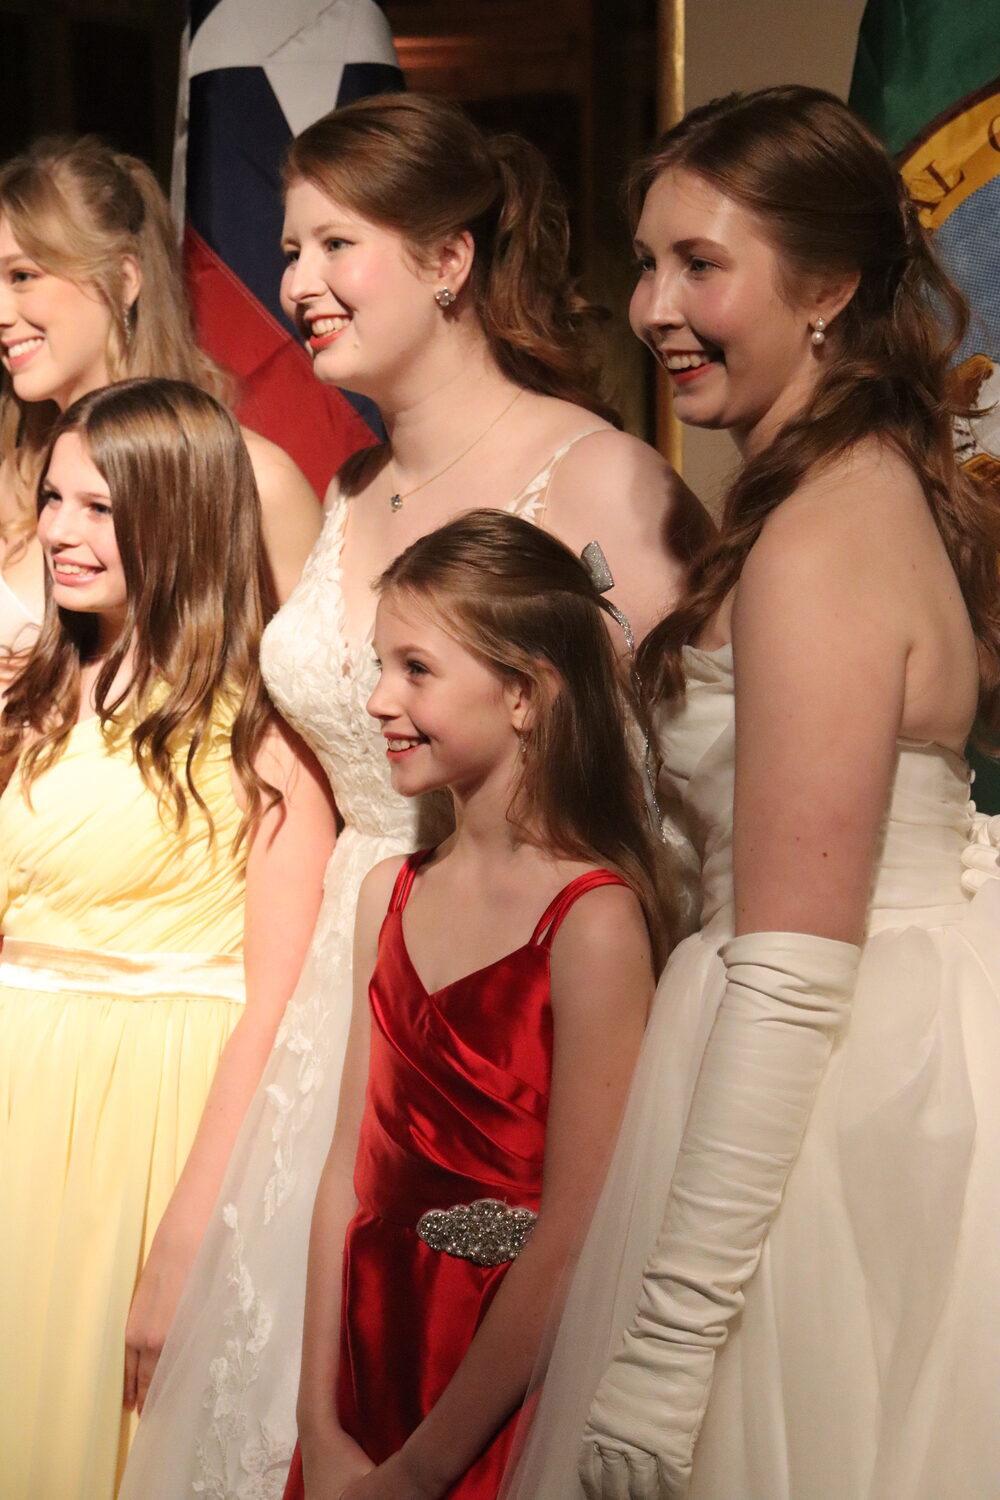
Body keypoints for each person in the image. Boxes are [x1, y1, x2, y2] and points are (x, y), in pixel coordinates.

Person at [120, 92, 705, 1500]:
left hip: (500, 1029)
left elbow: (678, 801)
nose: (295, 285)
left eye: (335, 245)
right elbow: (302, 801)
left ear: (449, 258)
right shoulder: (350, 488)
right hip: (335, 984)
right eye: (288, 248)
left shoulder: (604, 481)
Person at [503, 85, 1000, 1500]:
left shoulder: (824, 532)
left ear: (829, 284)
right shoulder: (835, 488)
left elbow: (788, 972)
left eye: (701, 265)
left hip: (812, 1093)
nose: (656, 306)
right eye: (647, 262)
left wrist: (666, 1355)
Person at [0, 378, 336, 1500]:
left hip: (144, 1127)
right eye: (53, 499)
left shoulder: (262, 737)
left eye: (100, 507)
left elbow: (280, 1004)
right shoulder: (30, 697)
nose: (59, 531)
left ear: (181, 515)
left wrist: (194, 1234)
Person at [286, 509, 666, 1500]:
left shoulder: (592, 924)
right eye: (379, 664)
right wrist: (316, 1425)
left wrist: (418, 1474)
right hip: (366, 1365)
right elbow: (345, 1175)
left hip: (496, 1392)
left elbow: (575, 1234)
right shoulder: (387, 894)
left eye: (414, 668)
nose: (376, 700)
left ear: (525, 695)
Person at [0, 135, 321, 659]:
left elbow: (314, 700)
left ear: (124, 279)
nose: (1, 310)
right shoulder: (10, 472)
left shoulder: (250, 476)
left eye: (22, 276)